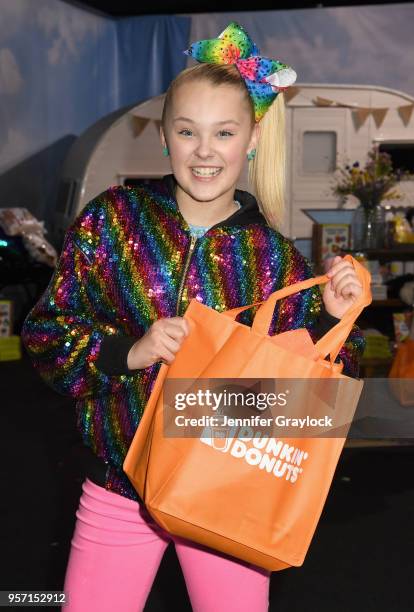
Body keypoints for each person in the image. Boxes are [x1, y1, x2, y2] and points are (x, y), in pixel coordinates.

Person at [21, 22, 365, 612]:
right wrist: (131, 349)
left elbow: (313, 400)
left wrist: (328, 322)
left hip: (229, 491)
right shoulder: (113, 222)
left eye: (224, 133)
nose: (205, 151)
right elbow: (47, 334)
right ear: (165, 138)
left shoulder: (275, 259)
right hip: (117, 485)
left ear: (252, 140)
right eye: (187, 132)